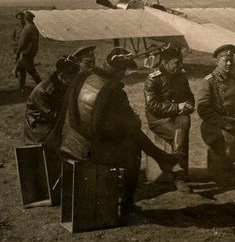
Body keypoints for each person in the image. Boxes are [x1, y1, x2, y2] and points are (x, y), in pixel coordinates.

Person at [59, 47, 177, 219]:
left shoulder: (84, 76)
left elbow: (73, 113)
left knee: (131, 135)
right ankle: (127, 203)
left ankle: (162, 158)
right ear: (120, 72)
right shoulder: (114, 91)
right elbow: (130, 126)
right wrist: (133, 120)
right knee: (133, 149)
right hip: (90, 149)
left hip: (71, 140)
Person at [196, 44, 235, 185]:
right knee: (229, 142)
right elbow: (203, 109)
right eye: (225, 60)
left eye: (231, 60)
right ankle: (232, 173)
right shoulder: (208, 82)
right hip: (214, 125)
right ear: (217, 61)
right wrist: (224, 124)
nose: (229, 64)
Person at [144, 46, 195, 193]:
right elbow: (152, 106)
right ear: (165, 62)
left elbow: (189, 96)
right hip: (159, 119)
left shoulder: (181, 76)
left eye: (181, 62)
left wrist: (189, 105)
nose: (180, 66)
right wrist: (178, 107)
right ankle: (180, 177)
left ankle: (179, 173)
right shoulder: (153, 79)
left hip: (178, 115)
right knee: (179, 135)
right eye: (176, 63)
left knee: (184, 121)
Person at [24, 55, 80, 144]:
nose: (74, 81)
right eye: (71, 78)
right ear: (61, 75)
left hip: (55, 123)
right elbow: (51, 115)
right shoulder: (43, 91)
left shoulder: (64, 85)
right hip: (40, 128)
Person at [15, 11, 42, 92]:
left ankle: (41, 85)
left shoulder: (27, 28)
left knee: (30, 70)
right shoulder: (34, 27)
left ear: (26, 18)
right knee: (22, 68)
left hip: (26, 52)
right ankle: (21, 87)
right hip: (32, 51)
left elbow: (22, 42)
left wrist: (17, 52)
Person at [11, 12, 26, 78]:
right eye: (19, 18)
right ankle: (17, 72)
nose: (20, 20)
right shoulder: (16, 26)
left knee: (22, 61)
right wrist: (13, 42)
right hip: (16, 46)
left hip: (24, 46)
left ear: (24, 18)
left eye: (21, 18)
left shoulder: (26, 26)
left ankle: (15, 70)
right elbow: (13, 35)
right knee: (16, 60)